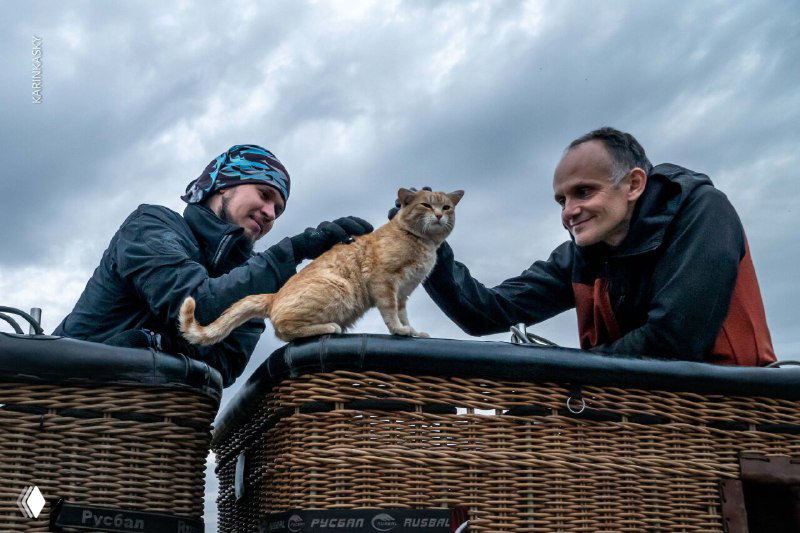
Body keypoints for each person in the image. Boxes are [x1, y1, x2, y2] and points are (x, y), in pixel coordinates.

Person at [419, 127, 775, 365]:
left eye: (584, 192)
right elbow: (483, 314)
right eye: (561, 201)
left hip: (728, 426)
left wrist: (567, 374)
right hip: (625, 430)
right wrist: (421, 244)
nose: (569, 212)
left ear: (634, 185)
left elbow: (674, 340)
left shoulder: (704, 211)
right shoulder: (580, 255)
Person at [53, 144, 372, 386]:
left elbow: (224, 365)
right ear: (223, 186)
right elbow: (195, 305)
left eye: (278, 208)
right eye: (264, 194)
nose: (270, 212)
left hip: (151, 436)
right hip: (60, 399)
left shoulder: (258, 282)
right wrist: (294, 251)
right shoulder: (149, 225)